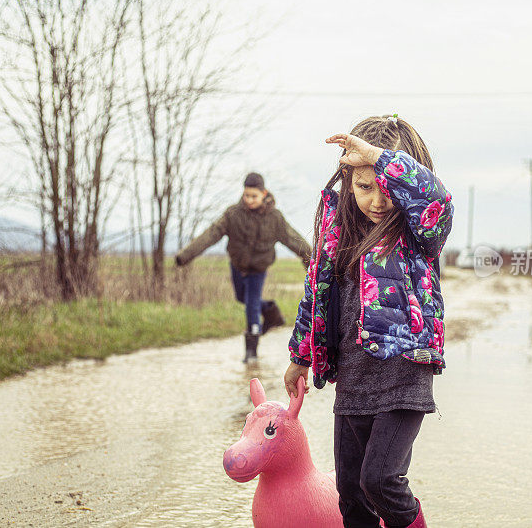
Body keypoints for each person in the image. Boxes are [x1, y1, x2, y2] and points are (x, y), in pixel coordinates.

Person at [283, 115, 453, 528]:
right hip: (354, 381)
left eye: (388, 188)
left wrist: (379, 159)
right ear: (347, 181)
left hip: (403, 376)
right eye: (364, 187)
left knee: (380, 481)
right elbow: (317, 297)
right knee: (353, 496)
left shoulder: (418, 234)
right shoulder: (336, 232)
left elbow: (436, 201)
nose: (377, 201)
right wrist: (301, 355)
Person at [175, 172, 312, 363]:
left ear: (264, 193)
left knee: (251, 304)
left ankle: (251, 352)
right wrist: (185, 256)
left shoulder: (274, 218)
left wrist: (313, 262)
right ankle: (271, 312)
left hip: (258, 269)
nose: (249, 200)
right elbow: (211, 234)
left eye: (254, 196)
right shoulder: (233, 214)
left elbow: (294, 240)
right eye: (246, 195)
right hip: (238, 266)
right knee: (243, 298)